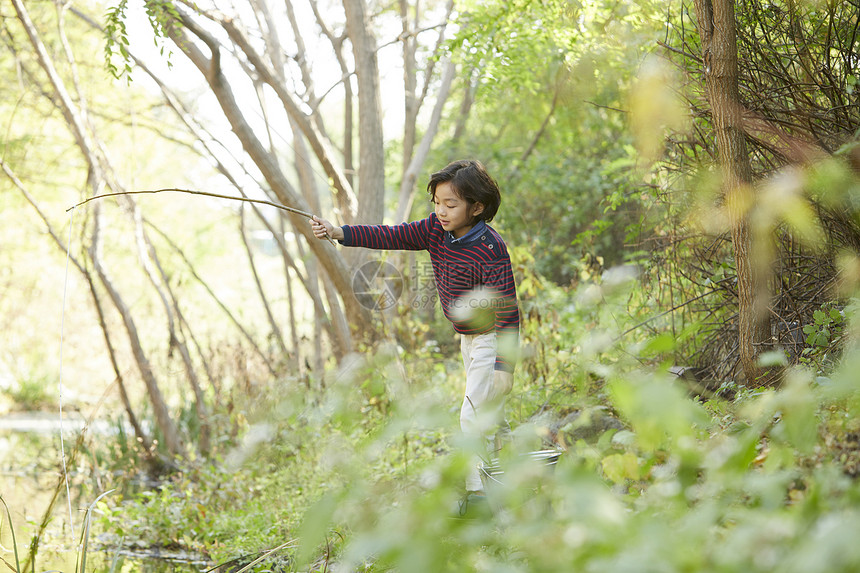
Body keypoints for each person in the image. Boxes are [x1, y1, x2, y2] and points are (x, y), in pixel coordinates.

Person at [309, 159, 520, 514]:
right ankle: (512, 476)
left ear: (477, 207)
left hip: (490, 339)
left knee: (470, 416)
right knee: (489, 414)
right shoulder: (435, 231)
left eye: (451, 204)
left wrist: (505, 367)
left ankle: (479, 495)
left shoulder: (491, 248)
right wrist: (339, 232)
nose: (441, 211)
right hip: (469, 340)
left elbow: (508, 310)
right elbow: (390, 235)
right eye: (437, 202)